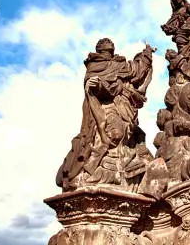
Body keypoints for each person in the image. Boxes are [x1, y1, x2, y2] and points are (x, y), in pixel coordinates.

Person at [56, 38, 154, 191]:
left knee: (129, 135)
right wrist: (97, 85)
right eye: (105, 51)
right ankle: (90, 168)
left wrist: (146, 53)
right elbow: (93, 84)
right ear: (100, 51)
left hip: (123, 106)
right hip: (105, 108)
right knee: (114, 134)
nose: (108, 53)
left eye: (110, 51)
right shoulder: (95, 66)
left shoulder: (118, 65)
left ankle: (122, 165)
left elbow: (136, 70)